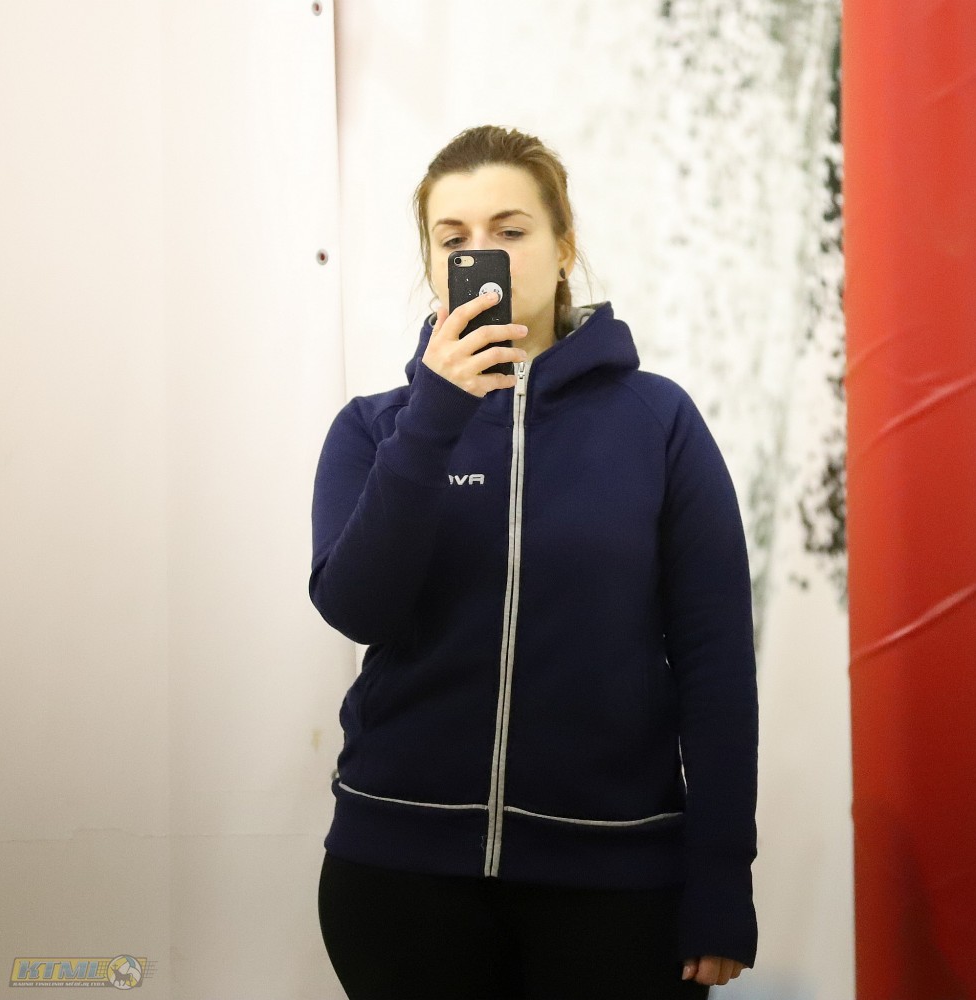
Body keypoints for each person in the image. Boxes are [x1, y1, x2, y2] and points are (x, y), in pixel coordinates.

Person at [310, 125, 758, 999]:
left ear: (564, 250)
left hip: (616, 882)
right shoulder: (374, 427)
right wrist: (435, 416)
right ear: (431, 264)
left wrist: (720, 878)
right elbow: (358, 607)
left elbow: (715, 665)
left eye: (510, 230)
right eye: (454, 238)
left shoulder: (658, 422)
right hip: (401, 874)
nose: (482, 255)